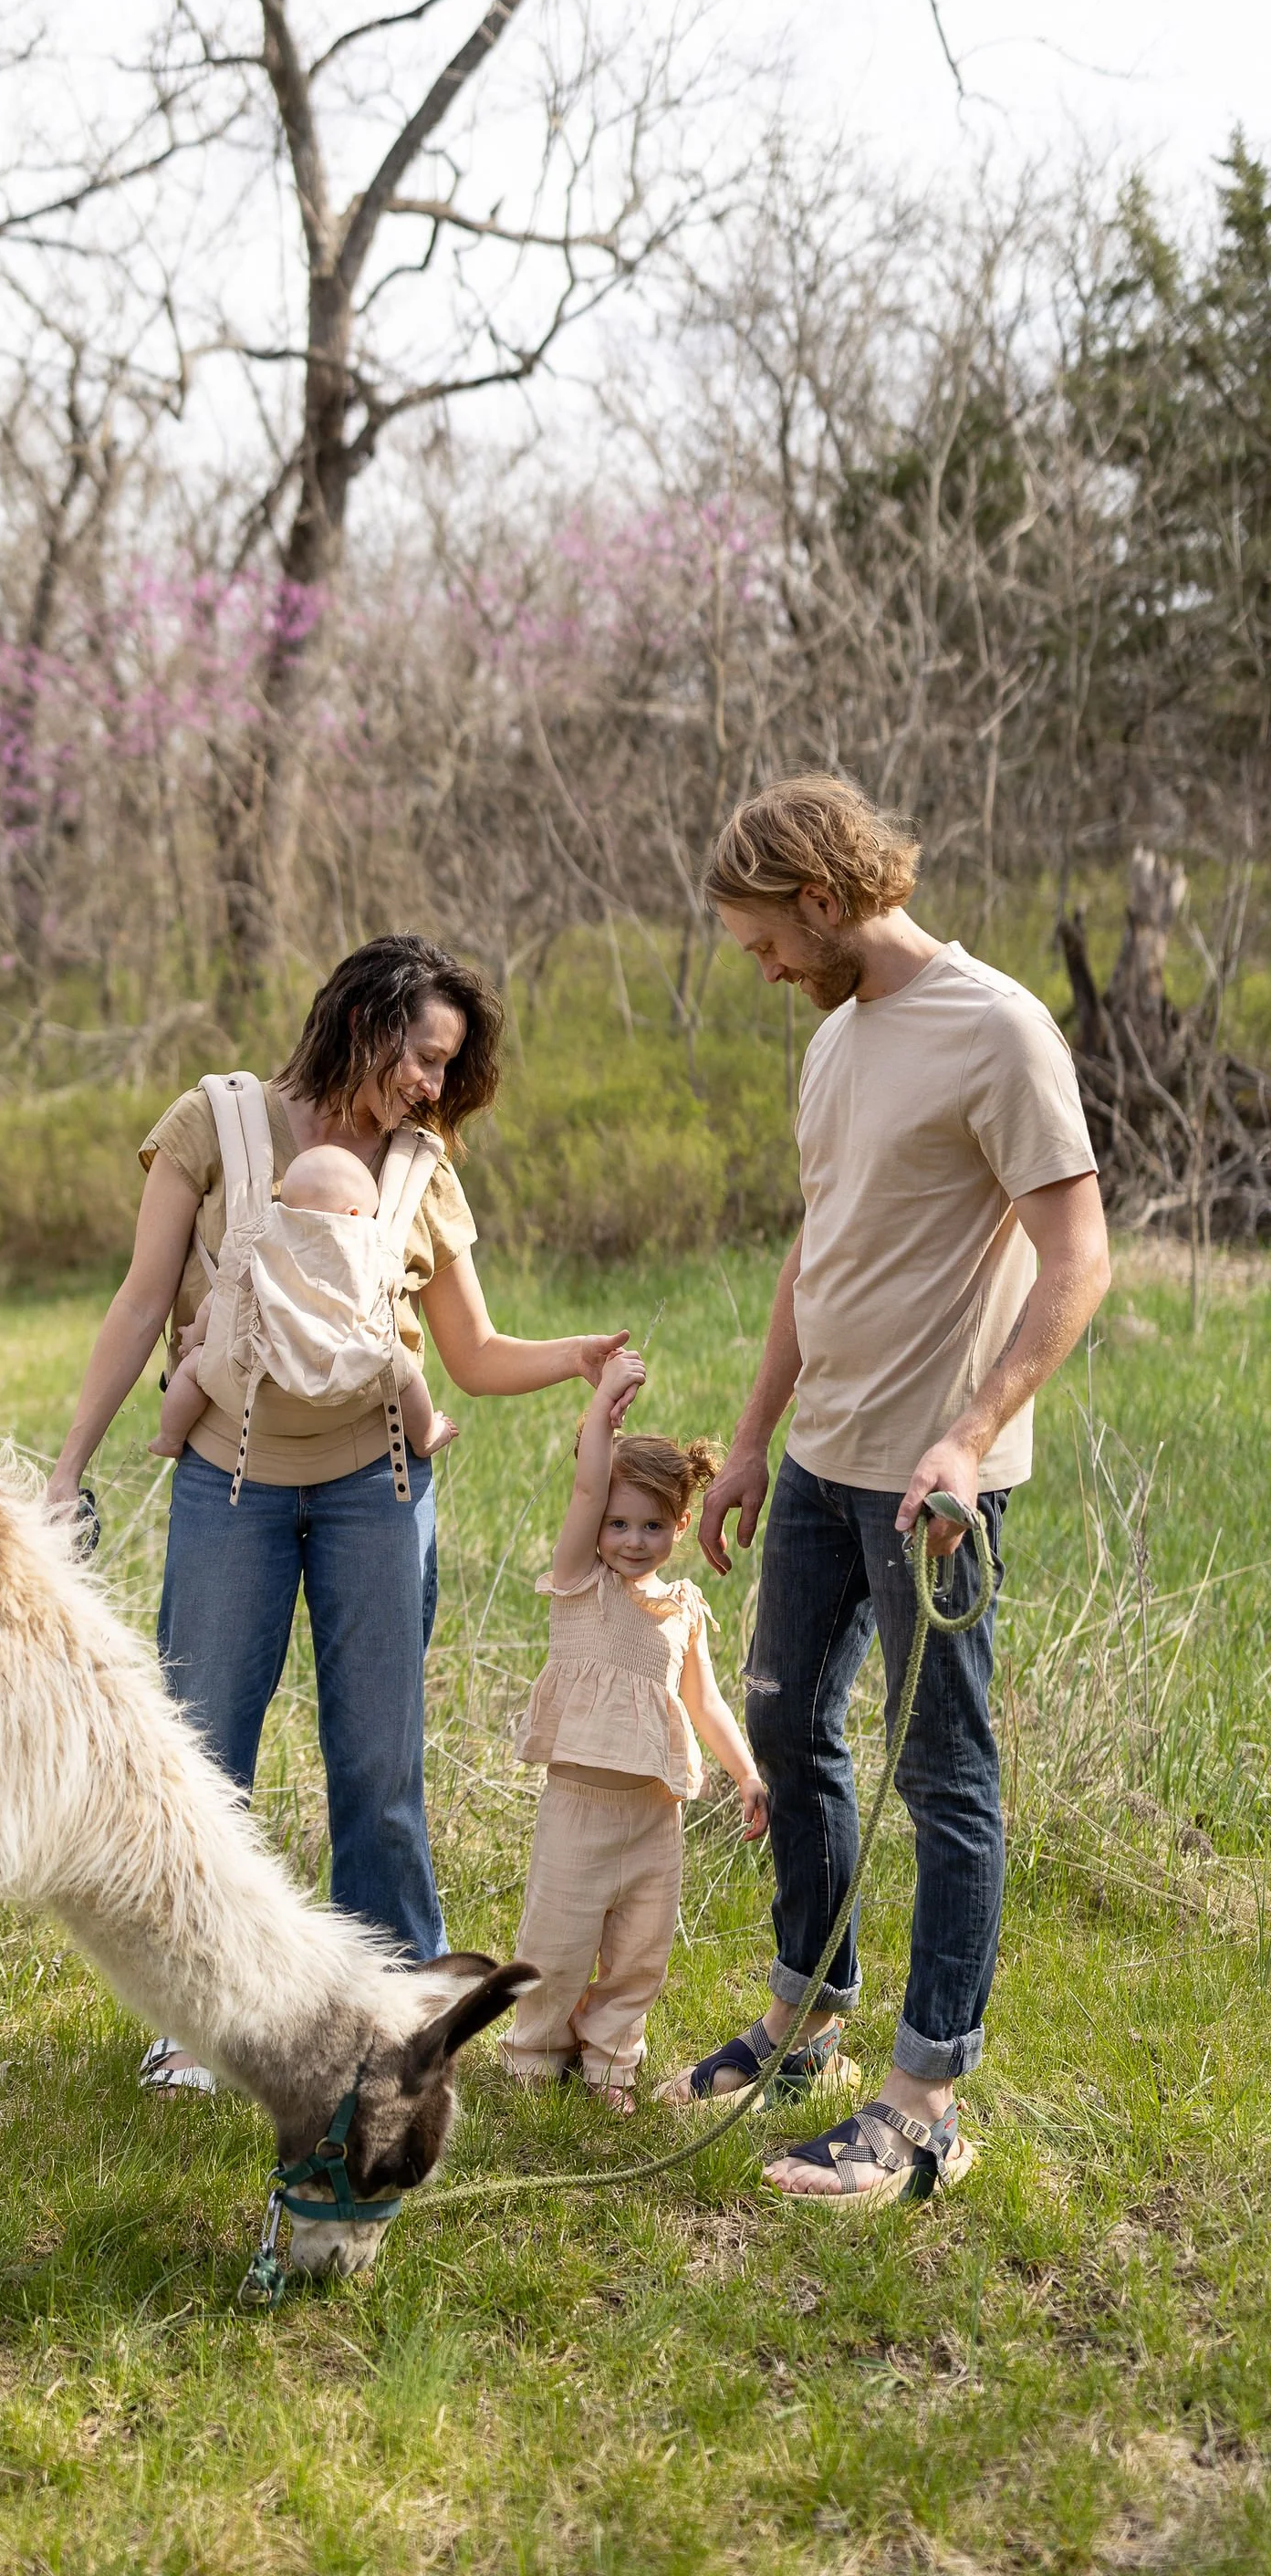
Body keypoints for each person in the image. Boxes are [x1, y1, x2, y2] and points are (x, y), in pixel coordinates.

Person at [46, 932, 630, 2092]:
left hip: (379, 1490)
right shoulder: (212, 1122)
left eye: (445, 1067)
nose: (428, 1084)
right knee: (206, 1753)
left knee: (378, 1762)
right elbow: (140, 1299)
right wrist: (69, 1466)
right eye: (419, 1055)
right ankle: (200, 2016)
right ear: (359, 1020)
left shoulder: (423, 1172)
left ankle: (399, 2006)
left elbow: (466, 1354)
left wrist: (574, 1357)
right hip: (228, 1483)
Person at [657, 776, 1110, 2209]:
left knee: (947, 1775)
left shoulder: (999, 1028)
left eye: (766, 944)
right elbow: (818, 1246)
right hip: (817, 1460)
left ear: (826, 898)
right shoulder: (836, 1038)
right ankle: (807, 2019)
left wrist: (972, 1438)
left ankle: (924, 2106)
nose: (766, 971)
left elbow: (1080, 1256)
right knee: (788, 1728)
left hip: (933, 1484)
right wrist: (746, 1440)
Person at [500, 1348, 768, 2114]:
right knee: (554, 1946)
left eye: (652, 1525)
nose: (631, 1539)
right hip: (578, 1811)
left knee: (637, 1956)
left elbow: (707, 1703)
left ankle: (610, 2060)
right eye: (617, 1523)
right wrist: (604, 1403)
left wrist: (747, 1774)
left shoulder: (683, 1608)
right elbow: (589, 1483)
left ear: (682, 1524)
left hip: (655, 1818)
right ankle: (536, 2051)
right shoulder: (581, 1583)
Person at [151, 1143, 457, 1465]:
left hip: (269, 1361)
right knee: (403, 1370)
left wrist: (195, 1335)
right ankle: (425, 1436)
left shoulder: (267, 1241)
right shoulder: (368, 1247)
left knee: (193, 1370)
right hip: (352, 1360)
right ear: (354, 1213)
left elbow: (221, 1300)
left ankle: (170, 1437)